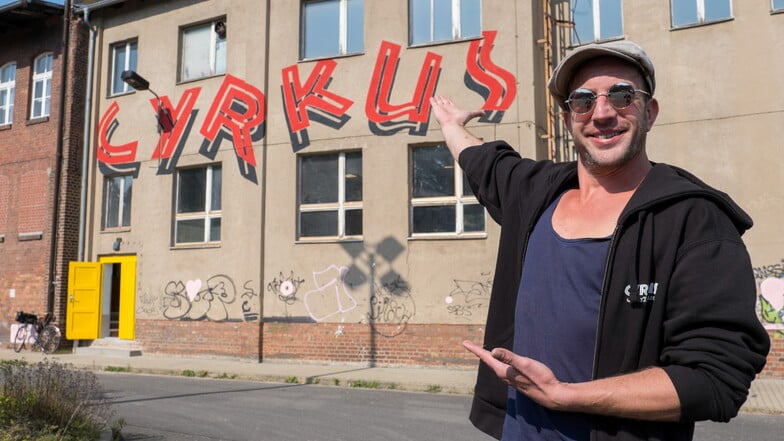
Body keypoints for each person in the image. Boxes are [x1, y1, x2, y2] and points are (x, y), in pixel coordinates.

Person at [430, 40, 770, 441]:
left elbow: (715, 378)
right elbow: (482, 161)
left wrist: (565, 396)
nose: (603, 112)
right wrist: (452, 127)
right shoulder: (535, 193)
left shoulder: (693, 221)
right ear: (569, 118)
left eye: (623, 96)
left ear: (651, 111)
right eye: (583, 100)